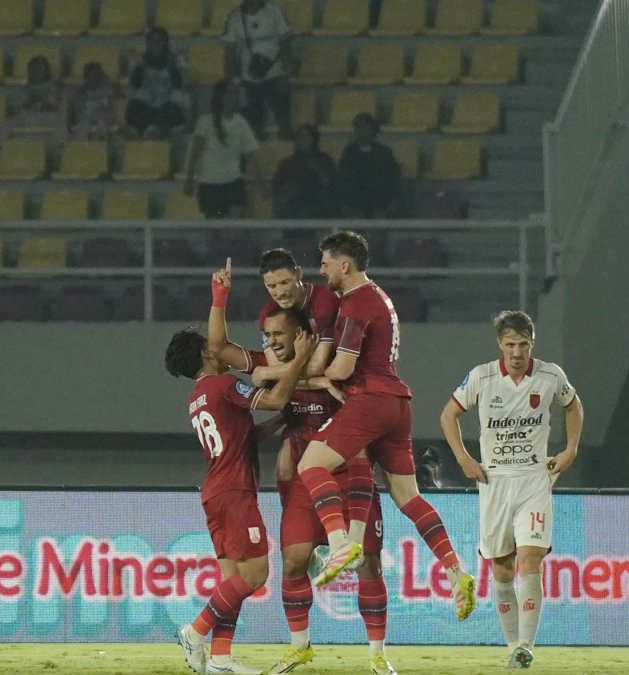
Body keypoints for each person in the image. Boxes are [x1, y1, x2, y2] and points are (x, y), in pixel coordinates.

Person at [207, 278, 396, 675]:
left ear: (303, 335)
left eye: (280, 334)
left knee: (370, 566)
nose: (272, 341)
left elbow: (370, 407)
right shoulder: (272, 367)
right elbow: (219, 348)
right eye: (267, 334)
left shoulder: (341, 366)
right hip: (302, 484)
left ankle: (378, 655)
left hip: (350, 473)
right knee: (293, 562)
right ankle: (300, 648)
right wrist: (219, 298)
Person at [296, 231, 477, 624]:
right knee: (408, 497)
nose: (321, 268)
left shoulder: (355, 303)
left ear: (345, 265)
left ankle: (341, 543)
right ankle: (454, 569)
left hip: (371, 401)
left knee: (310, 465)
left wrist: (317, 377)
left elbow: (343, 368)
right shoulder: (380, 297)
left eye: (325, 262)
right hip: (398, 403)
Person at [167, 315, 315, 675]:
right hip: (235, 492)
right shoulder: (222, 385)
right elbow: (276, 397)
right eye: (210, 344)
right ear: (205, 352)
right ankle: (194, 631)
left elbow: (243, 438)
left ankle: (220, 660)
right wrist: (301, 359)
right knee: (255, 575)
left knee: (232, 580)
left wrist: (283, 423)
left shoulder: (197, 396)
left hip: (215, 491)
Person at [439, 310, 583, 670]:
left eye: (522, 344)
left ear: (532, 343)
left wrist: (570, 449)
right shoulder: (482, 377)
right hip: (494, 482)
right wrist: (463, 459)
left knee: (530, 559)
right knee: (502, 570)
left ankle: (526, 646)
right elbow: (447, 415)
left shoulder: (550, 375)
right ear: (499, 345)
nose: (516, 352)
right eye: (509, 345)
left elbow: (573, 405)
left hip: (535, 479)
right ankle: (512, 646)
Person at [184, 79, 260, 219]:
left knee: (235, 227)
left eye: (236, 93)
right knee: (214, 229)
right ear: (220, 96)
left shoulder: (241, 122)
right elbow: (195, 152)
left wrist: (260, 183)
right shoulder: (205, 121)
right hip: (210, 183)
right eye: (230, 93)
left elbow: (250, 156)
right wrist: (189, 179)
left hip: (234, 181)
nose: (234, 96)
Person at [221, 0, 294, 138]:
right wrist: (234, 81)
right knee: (253, 121)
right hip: (249, 77)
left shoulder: (274, 11)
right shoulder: (235, 17)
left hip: (275, 72)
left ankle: (285, 140)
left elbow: (286, 43)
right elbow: (229, 54)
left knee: (283, 112)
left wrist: (285, 72)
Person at [335, 114, 402, 218]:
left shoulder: (384, 153)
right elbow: (342, 180)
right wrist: (345, 205)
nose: (363, 131)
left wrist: (392, 202)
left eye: (366, 127)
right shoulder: (349, 153)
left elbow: (393, 179)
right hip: (354, 206)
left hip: (379, 205)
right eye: (359, 127)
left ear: (373, 129)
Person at [126, 26, 187, 139]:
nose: (155, 44)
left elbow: (179, 85)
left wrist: (171, 67)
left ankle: (153, 130)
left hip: (166, 106)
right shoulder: (140, 61)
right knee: (134, 107)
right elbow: (134, 85)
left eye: (159, 41)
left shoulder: (176, 60)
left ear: (165, 43)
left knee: (172, 110)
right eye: (152, 41)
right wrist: (140, 68)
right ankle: (151, 130)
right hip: (146, 106)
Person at [0, 54, 66, 146]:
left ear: (46, 71)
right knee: (6, 123)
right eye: (33, 68)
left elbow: (55, 107)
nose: (36, 71)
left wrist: (42, 101)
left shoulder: (53, 87)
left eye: (40, 68)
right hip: (26, 117)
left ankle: (56, 148)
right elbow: (13, 108)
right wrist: (26, 103)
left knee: (60, 124)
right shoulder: (23, 88)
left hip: (47, 117)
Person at [272, 124, 338, 219]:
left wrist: (318, 171)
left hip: (318, 210)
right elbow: (277, 187)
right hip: (292, 211)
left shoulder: (324, 161)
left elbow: (331, 186)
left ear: (314, 139)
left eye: (306, 136)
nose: (301, 139)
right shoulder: (287, 163)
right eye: (298, 136)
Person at [68, 61, 117, 141]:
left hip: (102, 116)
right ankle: (81, 146)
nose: (94, 77)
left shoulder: (107, 90)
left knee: (101, 116)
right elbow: (77, 108)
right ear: (86, 77)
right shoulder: (80, 92)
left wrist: (107, 85)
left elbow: (110, 107)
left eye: (97, 74)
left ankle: (102, 140)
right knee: (85, 121)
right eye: (91, 75)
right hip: (85, 116)